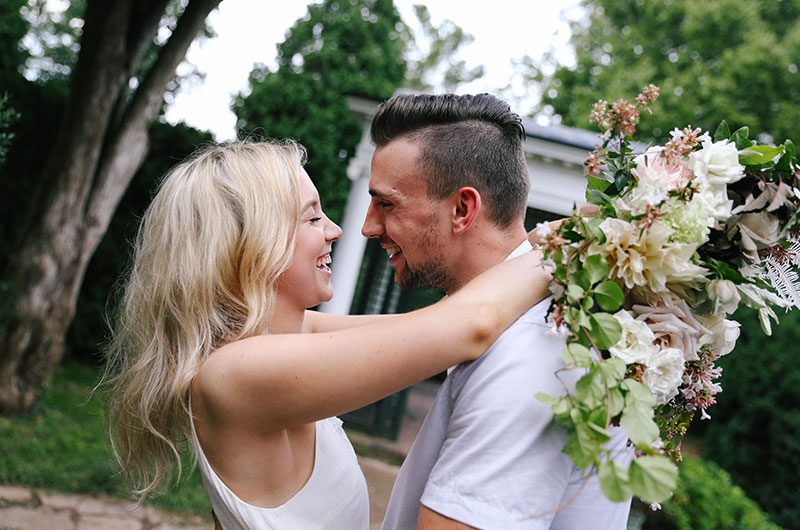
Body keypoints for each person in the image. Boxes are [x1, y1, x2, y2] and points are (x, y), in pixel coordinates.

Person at [102, 139, 552, 530]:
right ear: (255, 243)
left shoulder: (286, 336)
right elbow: (470, 324)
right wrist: (571, 243)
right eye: (313, 218)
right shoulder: (235, 374)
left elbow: (441, 323)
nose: (337, 230)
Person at [362, 93, 633, 530]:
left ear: (462, 209)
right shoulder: (520, 326)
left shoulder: (533, 351)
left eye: (388, 204)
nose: (368, 226)